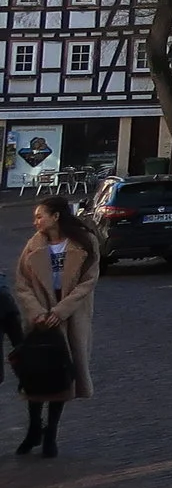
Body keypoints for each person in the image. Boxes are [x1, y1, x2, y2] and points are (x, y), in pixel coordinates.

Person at [13, 196, 98, 457]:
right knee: (37, 373)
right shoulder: (32, 246)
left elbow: (88, 281)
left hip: (71, 317)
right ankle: (33, 429)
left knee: (62, 374)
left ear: (56, 216)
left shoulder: (84, 242)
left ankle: (51, 433)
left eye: (41, 216)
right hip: (40, 319)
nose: (36, 221)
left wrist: (61, 311)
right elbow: (22, 283)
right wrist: (37, 313)